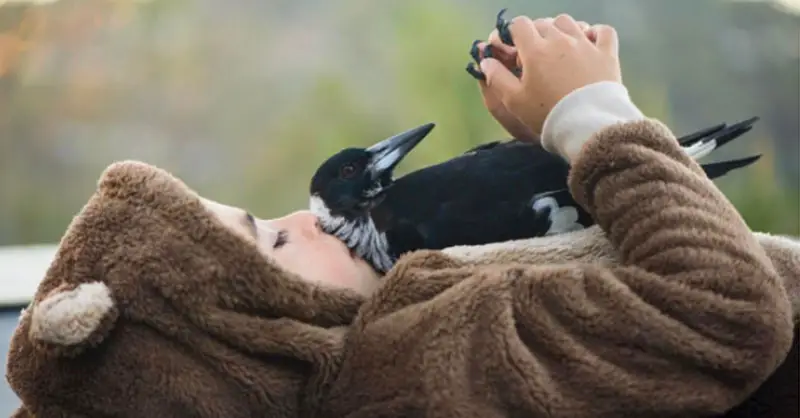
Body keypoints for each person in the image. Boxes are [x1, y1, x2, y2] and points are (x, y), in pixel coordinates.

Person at [6, 13, 798, 418]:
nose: (303, 219)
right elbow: (727, 309)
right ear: (248, 334)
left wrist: (562, 143)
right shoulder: (414, 367)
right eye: (273, 238)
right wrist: (592, 116)